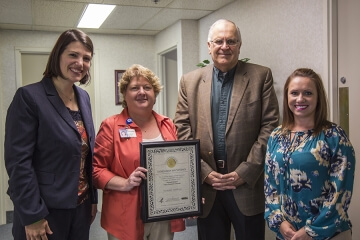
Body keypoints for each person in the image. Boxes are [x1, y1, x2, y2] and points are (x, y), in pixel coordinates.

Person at [174, 19, 280, 240]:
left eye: (231, 41)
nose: (225, 46)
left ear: (239, 45)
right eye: (219, 41)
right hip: (208, 186)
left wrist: (244, 173)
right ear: (209, 45)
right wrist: (204, 173)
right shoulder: (189, 81)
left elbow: (269, 127)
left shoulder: (260, 77)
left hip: (245, 186)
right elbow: (182, 129)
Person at [4, 29, 98, 240]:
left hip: (80, 207)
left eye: (86, 58)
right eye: (73, 55)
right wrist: (33, 215)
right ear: (58, 56)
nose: (80, 63)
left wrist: (92, 199)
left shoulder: (83, 97)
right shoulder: (29, 97)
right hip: (44, 210)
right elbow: (18, 163)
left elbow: (86, 154)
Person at [92, 64, 185, 240]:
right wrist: (125, 183)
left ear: (155, 93)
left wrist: (188, 193)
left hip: (163, 212)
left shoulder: (168, 125)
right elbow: (96, 170)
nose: (142, 92)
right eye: (135, 88)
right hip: (125, 213)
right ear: (125, 95)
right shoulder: (111, 126)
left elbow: (178, 164)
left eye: (147, 87)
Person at [264, 68, 355, 240]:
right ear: (287, 97)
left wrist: (311, 231)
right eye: (294, 93)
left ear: (318, 97)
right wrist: (280, 222)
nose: (300, 99)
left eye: (308, 93)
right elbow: (270, 187)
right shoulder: (276, 136)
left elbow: (341, 191)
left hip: (328, 234)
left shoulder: (334, 136)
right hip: (287, 234)